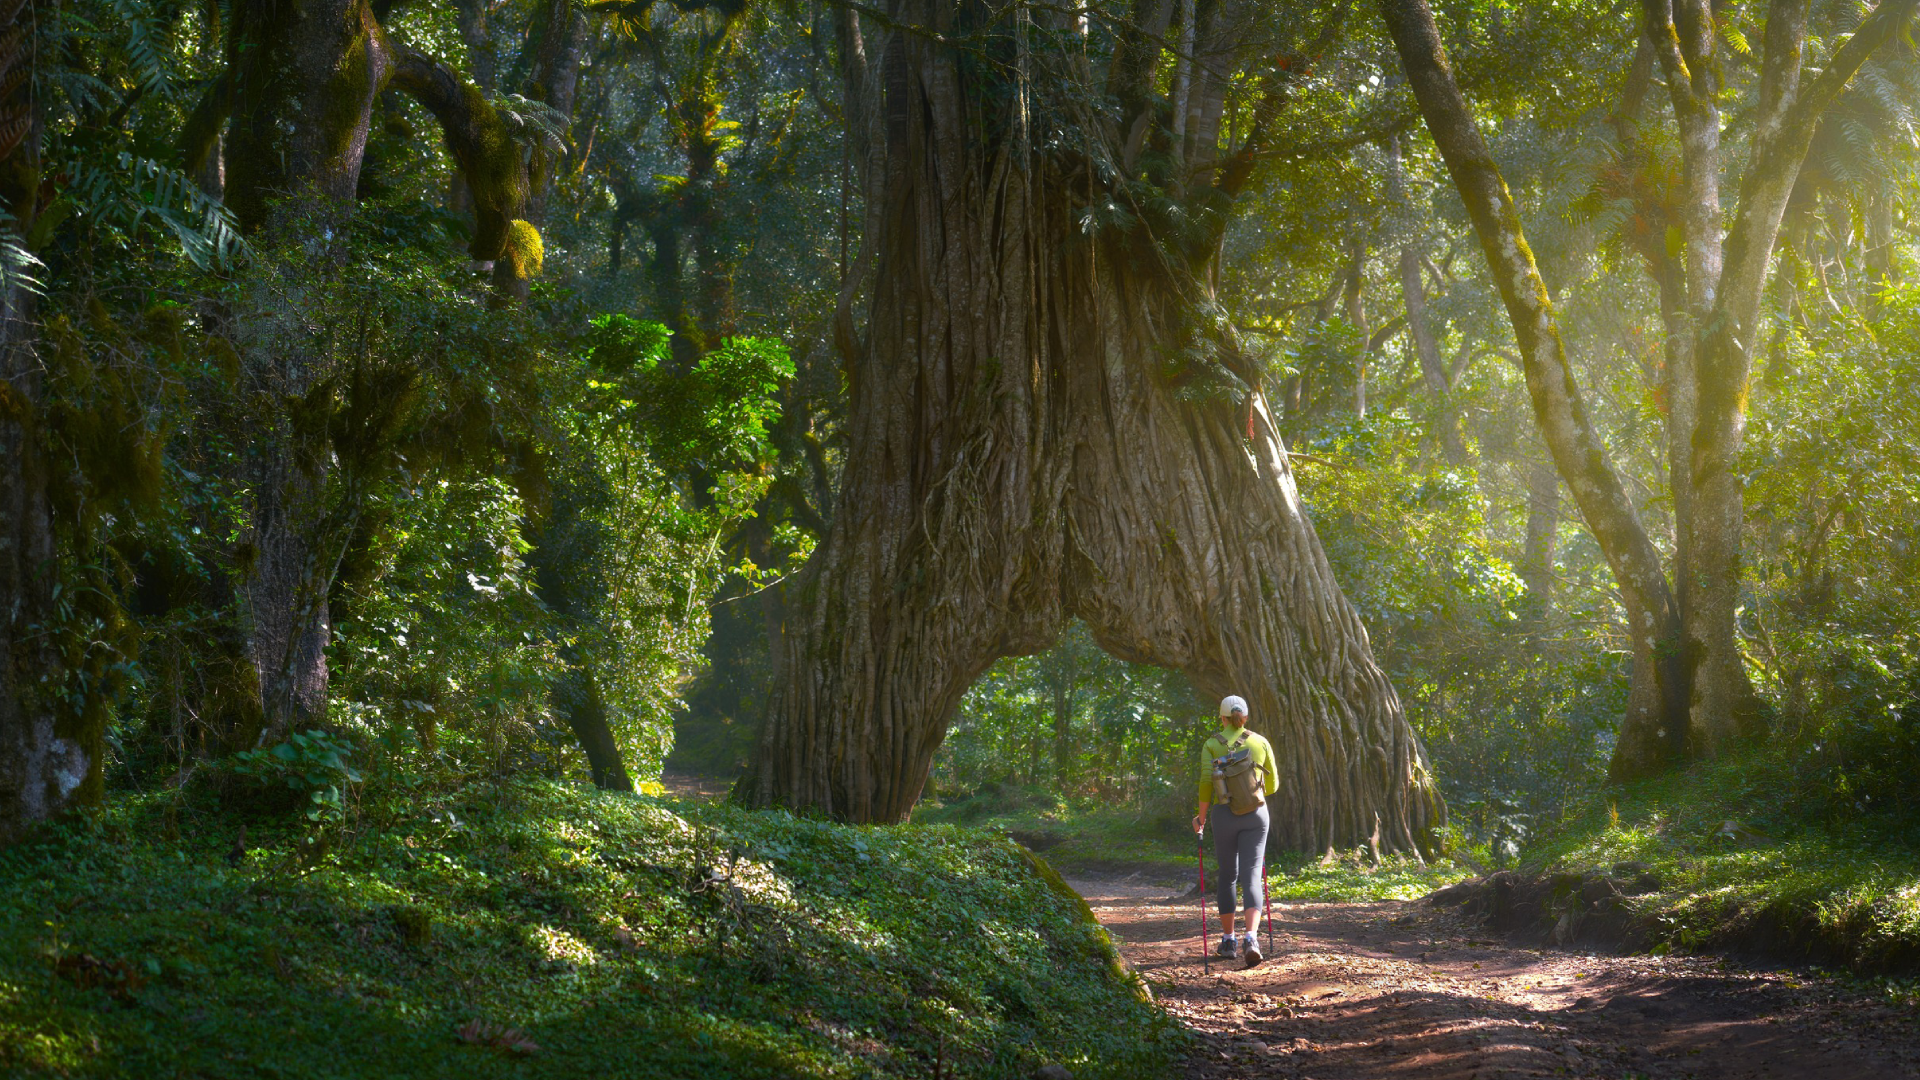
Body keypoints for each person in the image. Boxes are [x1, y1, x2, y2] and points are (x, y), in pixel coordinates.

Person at [1191, 694, 1278, 965]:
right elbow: (1273, 784)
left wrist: (1201, 818)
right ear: (1246, 717)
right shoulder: (1260, 741)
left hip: (1224, 815)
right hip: (1256, 815)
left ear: (1222, 718)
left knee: (1228, 876)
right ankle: (1251, 937)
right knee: (1252, 876)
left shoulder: (1211, 744)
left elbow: (1207, 782)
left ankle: (1228, 940)